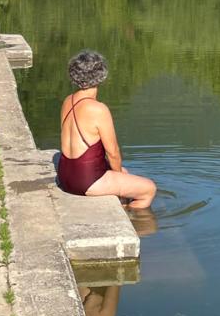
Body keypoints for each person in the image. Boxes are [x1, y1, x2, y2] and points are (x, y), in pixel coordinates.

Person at [57, 50, 157, 209]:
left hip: (65, 176)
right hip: (86, 182)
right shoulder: (98, 109)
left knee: (124, 171)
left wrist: (120, 175)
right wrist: (120, 188)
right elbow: (113, 153)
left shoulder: (68, 101)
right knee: (149, 189)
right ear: (101, 76)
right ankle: (133, 220)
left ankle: (122, 204)